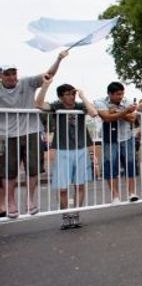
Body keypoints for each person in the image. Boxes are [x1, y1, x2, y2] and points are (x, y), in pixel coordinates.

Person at [0, 50, 68, 219]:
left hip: (31, 131)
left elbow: (48, 74)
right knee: (9, 171)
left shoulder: (27, 82)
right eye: (7, 74)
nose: (11, 77)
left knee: (33, 168)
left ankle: (30, 200)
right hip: (7, 134)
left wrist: (58, 59)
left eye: (13, 73)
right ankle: (10, 201)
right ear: (1, 76)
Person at [36, 79, 98, 228]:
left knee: (80, 185)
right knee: (62, 187)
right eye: (68, 94)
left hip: (81, 149)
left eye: (73, 93)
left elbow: (94, 113)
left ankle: (76, 214)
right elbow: (39, 104)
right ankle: (65, 216)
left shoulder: (80, 106)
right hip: (63, 150)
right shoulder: (57, 106)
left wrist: (82, 96)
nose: (72, 96)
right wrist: (45, 86)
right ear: (61, 97)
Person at [94, 82, 138, 203]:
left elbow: (133, 118)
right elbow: (107, 118)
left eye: (122, 93)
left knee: (130, 165)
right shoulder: (100, 101)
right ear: (110, 94)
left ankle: (132, 193)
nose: (121, 96)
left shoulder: (127, 101)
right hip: (109, 138)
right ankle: (115, 196)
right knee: (110, 166)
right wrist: (124, 112)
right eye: (118, 94)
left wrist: (116, 112)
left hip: (127, 136)